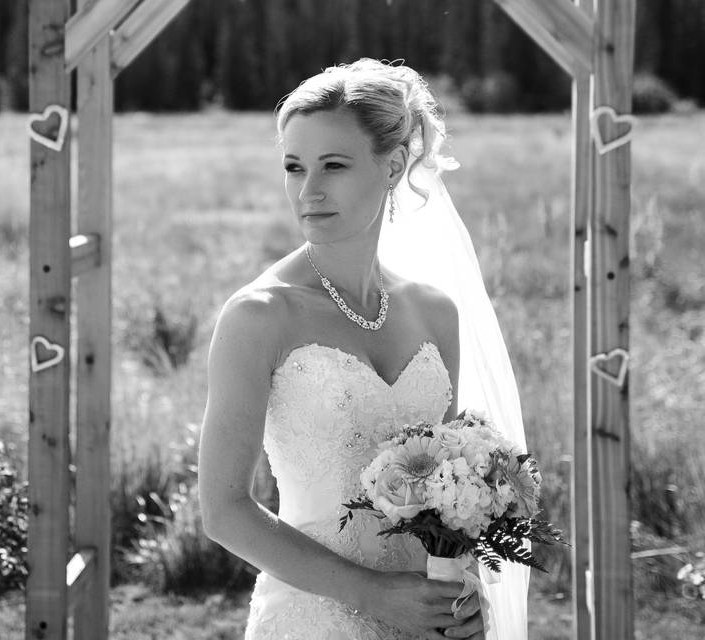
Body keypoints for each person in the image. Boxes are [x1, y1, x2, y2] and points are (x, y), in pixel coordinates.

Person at [197, 59, 528, 640]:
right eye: (294, 167)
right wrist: (374, 596)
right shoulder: (259, 315)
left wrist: (460, 585)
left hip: (429, 618)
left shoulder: (434, 311)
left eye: (334, 166)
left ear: (394, 165)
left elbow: (447, 498)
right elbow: (224, 511)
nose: (309, 190)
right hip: (311, 616)